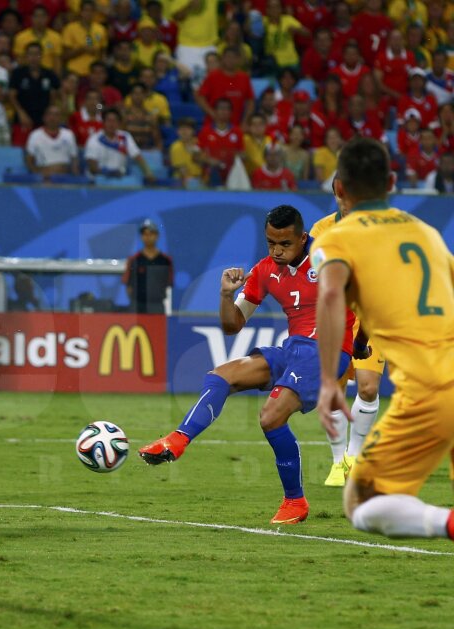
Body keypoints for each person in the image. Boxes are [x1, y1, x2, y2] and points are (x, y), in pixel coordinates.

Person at [139, 205, 356, 526]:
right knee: (220, 377)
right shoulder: (265, 270)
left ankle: (294, 501)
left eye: (285, 244)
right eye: (271, 243)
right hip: (295, 349)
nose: (277, 251)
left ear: (303, 238)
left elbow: (366, 296)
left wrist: (361, 341)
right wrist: (226, 295)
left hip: (327, 351)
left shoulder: (328, 258)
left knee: (270, 416)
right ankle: (178, 439)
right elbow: (233, 325)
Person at [313, 137, 454, 542]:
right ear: (391, 182)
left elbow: (330, 294)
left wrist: (328, 380)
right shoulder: (427, 233)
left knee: (361, 503)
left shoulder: (336, 238)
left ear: (340, 187)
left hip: (432, 391)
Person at [310, 195, 385, 488]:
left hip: (370, 314)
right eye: (342, 194)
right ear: (336, 195)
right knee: (335, 388)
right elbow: (314, 268)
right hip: (335, 315)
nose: (347, 200)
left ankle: (353, 456)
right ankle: (337, 460)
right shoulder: (321, 229)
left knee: (368, 387)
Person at [124, 219, 173, 314]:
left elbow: (169, 283)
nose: (148, 237)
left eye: (151, 234)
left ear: (157, 236)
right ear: (141, 237)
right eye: (145, 234)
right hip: (137, 307)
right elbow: (128, 285)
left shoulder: (165, 260)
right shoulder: (134, 260)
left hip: (157, 306)